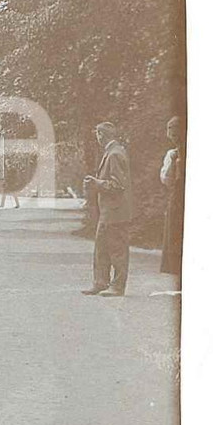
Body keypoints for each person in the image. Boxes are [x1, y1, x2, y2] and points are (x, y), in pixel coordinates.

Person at [82, 121, 133, 297]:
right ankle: (100, 282)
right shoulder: (112, 152)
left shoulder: (115, 154)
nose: (97, 137)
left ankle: (117, 287)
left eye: (97, 134)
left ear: (101, 135)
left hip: (116, 212)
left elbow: (118, 186)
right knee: (101, 248)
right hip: (108, 211)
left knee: (117, 249)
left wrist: (97, 183)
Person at [160, 115, 185, 280]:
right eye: (170, 130)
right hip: (176, 194)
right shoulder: (173, 154)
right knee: (174, 226)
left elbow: (165, 179)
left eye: (174, 130)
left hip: (180, 194)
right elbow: (165, 179)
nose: (171, 134)